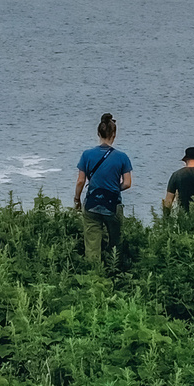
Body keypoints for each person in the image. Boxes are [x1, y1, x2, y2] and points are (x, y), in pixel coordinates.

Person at [73, 113, 132, 269]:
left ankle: (94, 275)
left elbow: (80, 181)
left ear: (98, 133)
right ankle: (114, 271)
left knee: (92, 243)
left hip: (92, 203)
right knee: (115, 241)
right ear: (114, 135)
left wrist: (77, 200)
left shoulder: (87, 155)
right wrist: (113, 188)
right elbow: (127, 184)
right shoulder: (122, 157)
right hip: (113, 204)